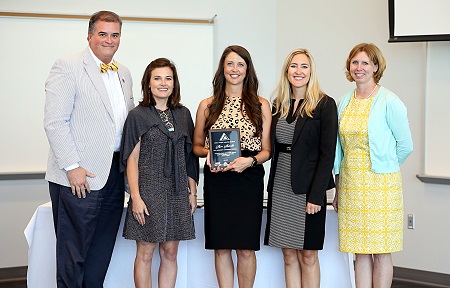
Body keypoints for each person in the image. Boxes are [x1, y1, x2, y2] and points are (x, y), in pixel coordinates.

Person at [44, 11, 134, 287]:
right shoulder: (68, 66)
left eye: (115, 35)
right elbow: (55, 122)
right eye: (103, 34)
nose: (109, 40)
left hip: (114, 175)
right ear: (90, 36)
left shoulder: (124, 72)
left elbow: (126, 124)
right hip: (80, 176)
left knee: (101, 253)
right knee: (73, 255)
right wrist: (72, 167)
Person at [332, 43, 413, 288]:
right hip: (351, 184)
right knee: (360, 251)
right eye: (355, 62)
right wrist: (337, 187)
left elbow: (405, 145)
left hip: (381, 186)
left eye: (365, 63)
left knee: (380, 251)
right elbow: (338, 149)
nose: (359, 68)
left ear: (376, 66)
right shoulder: (344, 101)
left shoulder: (389, 100)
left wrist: (386, 166)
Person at [193, 45, 271, 288]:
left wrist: (250, 160)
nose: (234, 69)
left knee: (246, 248)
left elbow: (267, 150)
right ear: (222, 68)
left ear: (247, 70)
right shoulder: (208, 104)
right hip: (218, 180)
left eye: (240, 64)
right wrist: (210, 154)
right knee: (221, 246)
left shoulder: (261, 105)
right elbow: (196, 145)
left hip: (248, 179)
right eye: (230, 64)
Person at [120, 58, 198, 287]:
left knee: (170, 252)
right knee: (145, 252)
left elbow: (190, 155)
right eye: (157, 78)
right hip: (148, 191)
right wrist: (135, 197)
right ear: (148, 83)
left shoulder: (183, 114)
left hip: (176, 192)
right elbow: (131, 160)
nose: (163, 83)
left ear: (174, 84)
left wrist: (192, 192)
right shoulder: (138, 115)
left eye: (168, 78)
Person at [264, 48, 338, 288]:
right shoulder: (279, 104)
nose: (299, 71)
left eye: (304, 66)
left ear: (311, 71)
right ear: (287, 72)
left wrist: (317, 195)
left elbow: (328, 154)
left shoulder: (325, 105)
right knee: (288, 254)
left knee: (308, 255)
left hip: (308, 189)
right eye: (294, 66)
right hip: (281, 185)